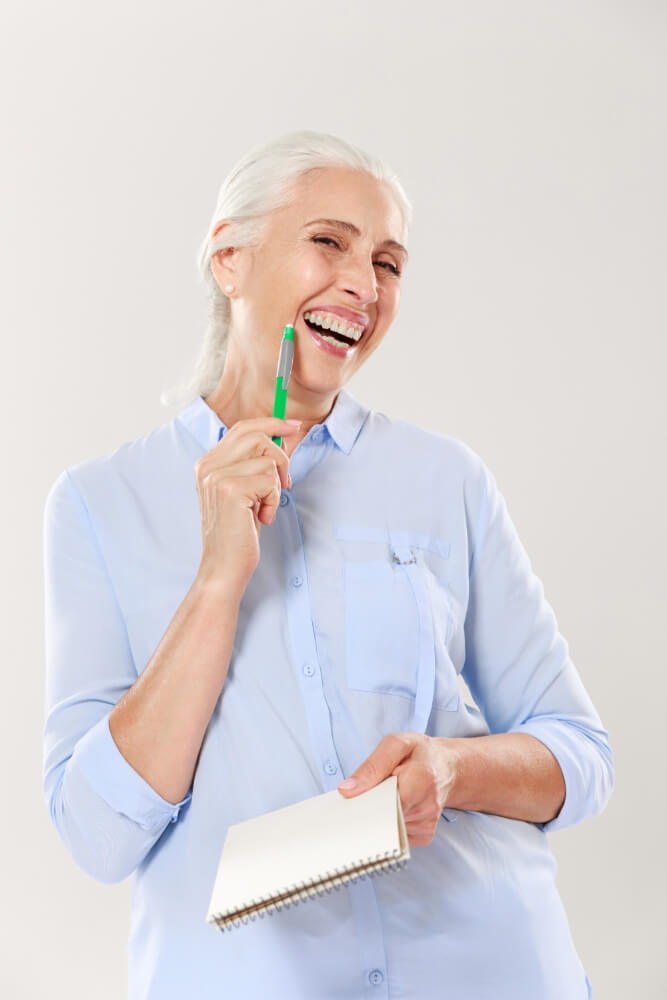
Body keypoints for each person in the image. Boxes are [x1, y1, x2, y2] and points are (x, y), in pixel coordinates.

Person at [42, 130, 613, 999]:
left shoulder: (445, 479)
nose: (365, 284)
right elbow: (95, 835)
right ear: (228, 258)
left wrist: (453, 770)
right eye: (329, 242)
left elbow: (578, 758)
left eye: (387, 263)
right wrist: (217, 582)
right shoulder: (99, 502)